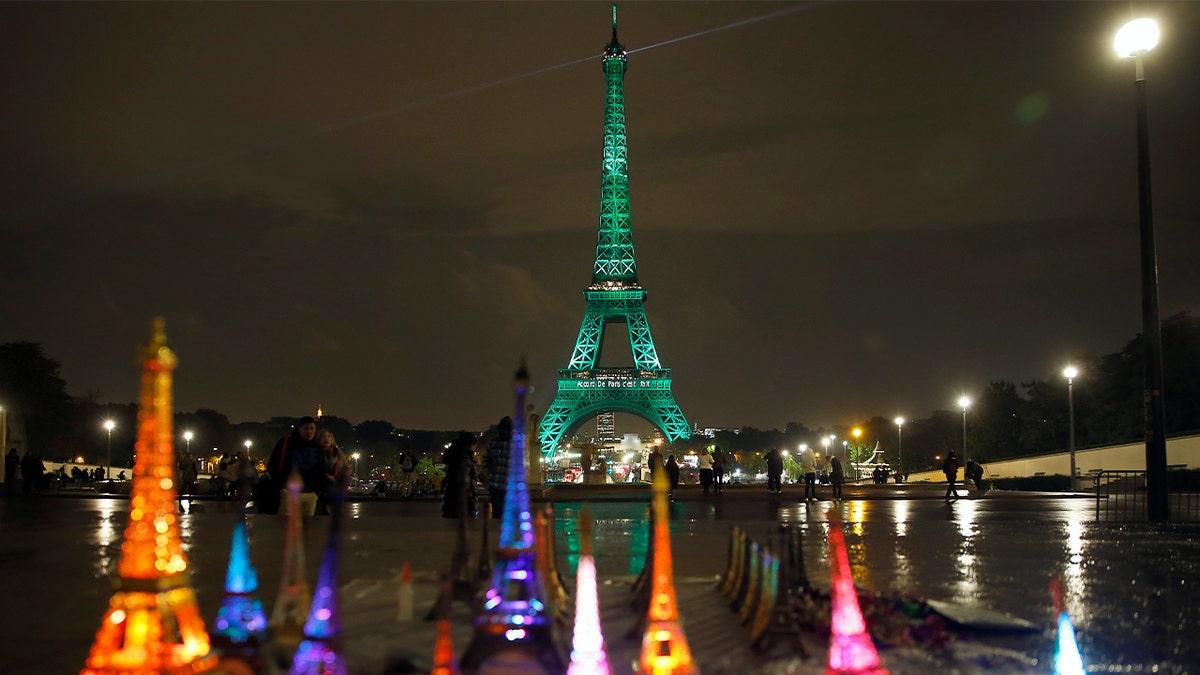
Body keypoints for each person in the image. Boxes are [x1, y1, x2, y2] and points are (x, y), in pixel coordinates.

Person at [263, 416, 324, 516]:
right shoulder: (286, 443)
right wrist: (281, 487)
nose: (309, 432)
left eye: (312, 429)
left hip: (310, 493)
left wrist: (316, 492)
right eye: (306, 428)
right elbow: (273, 464)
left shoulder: (317, 448)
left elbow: (322, 470)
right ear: (299, 429)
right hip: (288, 492)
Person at [441, 432, 477, 519]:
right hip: (462, 501)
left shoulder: (455, 454)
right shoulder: (466, 458)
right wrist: (472, 503)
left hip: (450, 496)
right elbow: (465, 482)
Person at [314, 429, 350, 515]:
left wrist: (341, 480)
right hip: (319, 489)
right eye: (323, 437)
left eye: (328, 436)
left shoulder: (337, 452)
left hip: (335, 488)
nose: (326, 439)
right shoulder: (315, 453)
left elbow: (346, 468)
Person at [483, 417, 512, 519]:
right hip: (507, 485)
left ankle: (496, 532)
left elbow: (486, 459)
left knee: (497, 513)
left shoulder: (494, 441)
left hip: (496, 484)